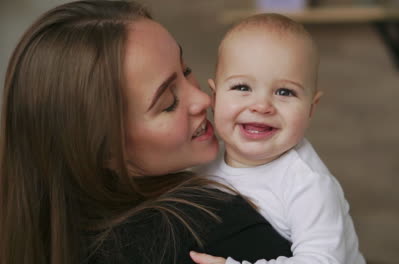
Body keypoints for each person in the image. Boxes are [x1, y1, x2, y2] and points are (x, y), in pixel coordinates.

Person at [0, 2, 293, 264]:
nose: (203, 100)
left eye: (185, 69)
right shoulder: (212, 227)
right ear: (104, 151)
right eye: (168, 103)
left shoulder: (44, 236)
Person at [191, 14, 366, 264]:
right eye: (242, 87)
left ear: (311, 108)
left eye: (284, 92)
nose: (261, 105)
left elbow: (321, 261)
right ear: (215, 97)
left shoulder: (307, 184)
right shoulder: (204, 161)